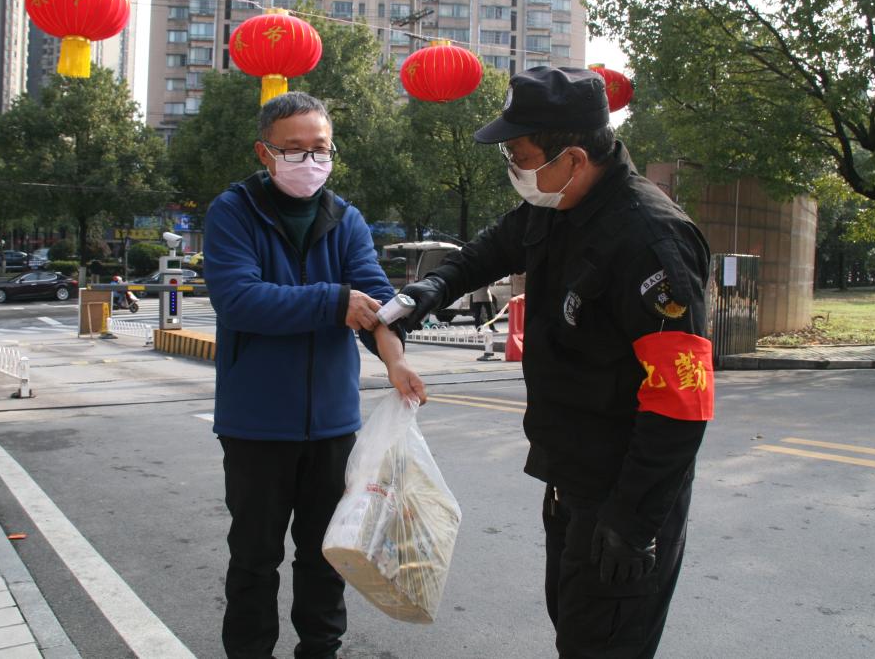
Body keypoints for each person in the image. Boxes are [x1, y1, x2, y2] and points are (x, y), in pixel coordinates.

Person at [397, 67, 714, 658]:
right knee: (575, 634)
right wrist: (427, 293)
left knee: (604, 647)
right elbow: (491, 248)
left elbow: (681, 404)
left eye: (519, 153)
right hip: (571, 483)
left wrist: (632, 524)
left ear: (572, 157)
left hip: (624, 498)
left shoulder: (650, 241)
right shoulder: (560, 202)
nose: (513, 166)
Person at [203, 91, 427, 659]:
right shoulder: (233, 212)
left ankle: (321, 650)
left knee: (327, 551)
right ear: (265, 152)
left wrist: (394, 356)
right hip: (256, 424)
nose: (309, 162)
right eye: (294, 150)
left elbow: (374, 295)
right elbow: (239, 299)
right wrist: (333, 301)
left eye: (320, 149)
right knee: (254, 557)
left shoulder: (345, 218)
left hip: (331, 423)